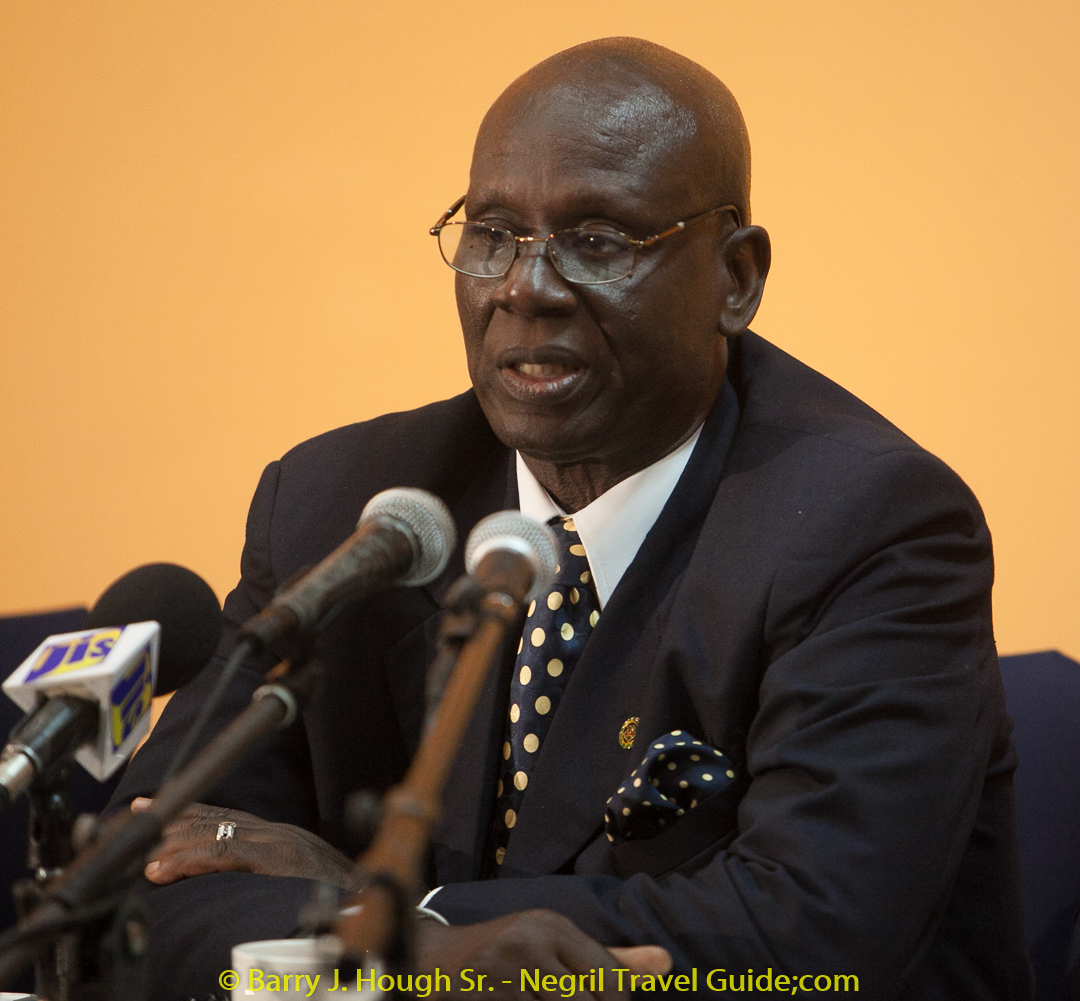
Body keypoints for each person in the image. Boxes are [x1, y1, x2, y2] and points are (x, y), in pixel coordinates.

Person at [110, 37, 1033, 999]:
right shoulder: (343, 505)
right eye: (492, 232)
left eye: (596, 242)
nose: (523, 287)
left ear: (736, 280)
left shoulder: (870, 522)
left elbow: (809, 930)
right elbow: (153, 871)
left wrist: (399, 921)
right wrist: (393, 945)